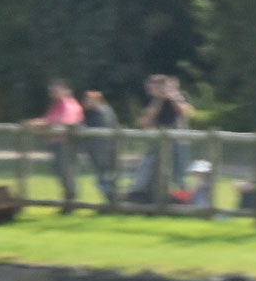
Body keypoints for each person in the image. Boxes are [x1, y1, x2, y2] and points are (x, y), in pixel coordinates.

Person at [128, 74, 190, 204]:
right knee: (151, 172)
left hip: (176, 143)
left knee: (179, 176)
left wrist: (173, 98)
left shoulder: (178, 97)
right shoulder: (154, 101)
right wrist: (160, 100)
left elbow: (185, 113)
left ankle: (185, 202)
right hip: (157, 144)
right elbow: (145, 122)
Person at [28, 79, 84, 211]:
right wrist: (39, 122)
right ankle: (67, 201)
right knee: (61, 172)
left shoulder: (69, 105)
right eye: (51, 91)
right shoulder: (56, 105)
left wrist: (43, 124)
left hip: (65, 145)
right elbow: (49, 118)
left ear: (65, 90)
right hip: (57, 143)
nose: (52, 93)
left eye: (55, 90)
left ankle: (70, 203)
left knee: (66, 172)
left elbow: (65, 121)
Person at [81, 90, 119, 203]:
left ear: (97, 100)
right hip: (104, 151)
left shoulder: (100, 112)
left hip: (103, 152)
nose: (86, 103)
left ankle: (112, 202)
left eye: (89, 100)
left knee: (104, 178)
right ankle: (112, 202)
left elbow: (99, 129)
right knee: (107, 178)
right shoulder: (103, 111)